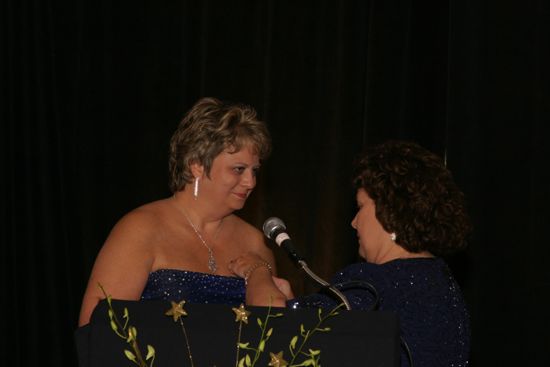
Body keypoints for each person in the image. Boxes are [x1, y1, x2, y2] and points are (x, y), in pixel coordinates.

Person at [228, 140, 471, 367]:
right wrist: (294, 305)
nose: (354, 222)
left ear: (388, 211)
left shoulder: (372, 284)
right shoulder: (444, 283)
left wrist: (257, 269)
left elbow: (275, 332)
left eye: (361, 207)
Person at [78, 97, 275, 327]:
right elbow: (97, 328)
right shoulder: (141, 229)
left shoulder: (255, 242)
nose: (250, 182)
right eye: (239, 169)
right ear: (197, 164)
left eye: (254, 171)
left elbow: (272, 336)